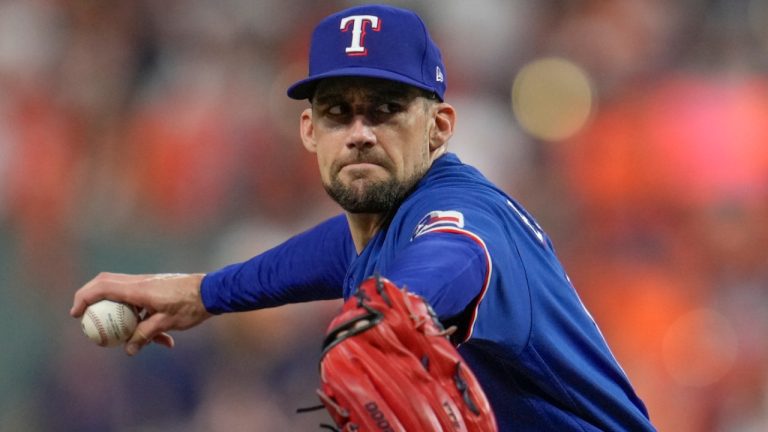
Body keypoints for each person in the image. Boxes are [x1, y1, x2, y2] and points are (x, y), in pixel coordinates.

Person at [71, 4, 656, 431]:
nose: (359, 134)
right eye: (336, 112)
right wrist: (206, 292)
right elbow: (330, 253)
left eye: (386, 110)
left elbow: (457, 252)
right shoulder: (380, 227)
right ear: (309, 130)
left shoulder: (462, 215)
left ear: (440, 128)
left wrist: (394, 304)